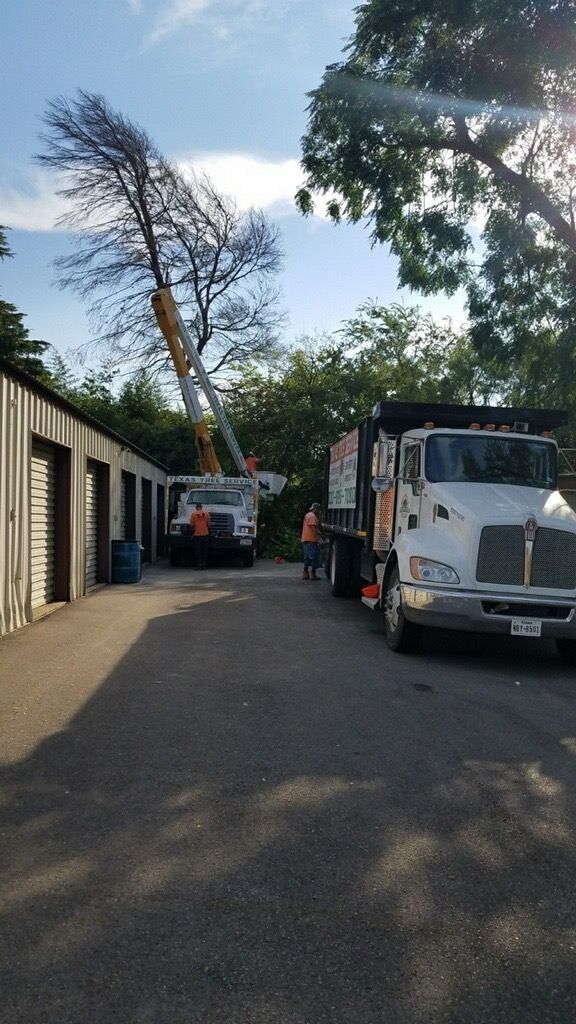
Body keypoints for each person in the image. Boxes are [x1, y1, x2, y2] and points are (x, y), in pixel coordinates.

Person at [301, 502, 323, 581]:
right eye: (318, 509)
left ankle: (305, 573)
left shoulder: (308, 515)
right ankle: (313, 574)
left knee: (307, 557)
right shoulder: (312, 516)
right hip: (311, 539)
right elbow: (313, 528)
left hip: (306, 539)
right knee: (313, 557)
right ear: (316, 509)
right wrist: (320, 536)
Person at [191, 502, 211, 569]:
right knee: (205, 550)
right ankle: (204, 565)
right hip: (205, 534)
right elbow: (209, 524)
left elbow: (192, 524)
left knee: (198, 551)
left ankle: (199, 565)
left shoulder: (193, 514)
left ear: (196, 507)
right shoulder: (207, 514)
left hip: (197, 534)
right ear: (201, 507)